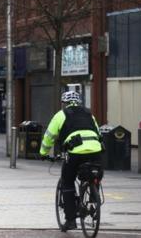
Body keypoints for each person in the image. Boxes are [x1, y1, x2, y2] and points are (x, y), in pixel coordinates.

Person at [39, 91, 103, 232]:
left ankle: (70, 220)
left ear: (63, 103)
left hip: (75, 152)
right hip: (95, 150)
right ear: (79, 102)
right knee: (94, 174)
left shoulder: (60, 115)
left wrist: (43, 153)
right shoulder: (89, 114)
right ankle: (93, 201)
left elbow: (49, 136)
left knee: (67, 181)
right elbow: (98, 133)